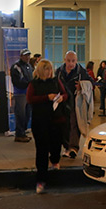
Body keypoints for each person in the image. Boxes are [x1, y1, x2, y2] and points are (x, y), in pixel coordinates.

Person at [26, 59, 68, 194]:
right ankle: (41, 180)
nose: (49, 72)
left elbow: (65, 94)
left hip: (56, 119)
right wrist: (46, 97)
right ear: (40, 71)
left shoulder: (56, 81)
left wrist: (62, 98)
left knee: (56, 145)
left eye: (50, 69)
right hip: (40, 121)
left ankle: (55, 160)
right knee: (42, 151)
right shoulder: (34, 84)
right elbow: (30, 99)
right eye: (46, 69)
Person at [55, 50, 94, 158]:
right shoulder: (58, 72)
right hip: (62, 102)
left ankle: (73, 148)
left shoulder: (81, 71)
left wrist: (82, 86)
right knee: (64, 125)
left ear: (77, 61)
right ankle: (67, 147)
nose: (71, 63)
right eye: (68, 61)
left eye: (73, 61)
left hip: (76, 102)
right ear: (64, 60)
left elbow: (92, 83)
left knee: (74, 125)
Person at [10, 48, 34, 142]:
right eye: (25, 55)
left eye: (28, 55)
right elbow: (16, 81)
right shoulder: (16, 67)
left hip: (28, 93)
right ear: (21, 56)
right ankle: (19, 134)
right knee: (21, 115)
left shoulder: (29, 66)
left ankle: (22, 133)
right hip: (20, 93)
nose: (27, 57)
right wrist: (28, 84)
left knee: (27, 114)